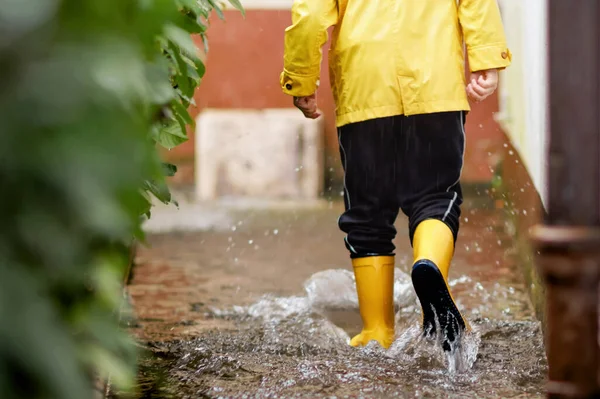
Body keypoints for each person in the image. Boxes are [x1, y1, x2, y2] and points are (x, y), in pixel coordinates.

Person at [280, 0, 511, 351]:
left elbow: (311, 14)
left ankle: (376, 331)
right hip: (436, 89)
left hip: (365, 91)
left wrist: (300, 77)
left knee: (368, 213)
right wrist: (486, 59)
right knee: (436, 197)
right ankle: (428, 263)